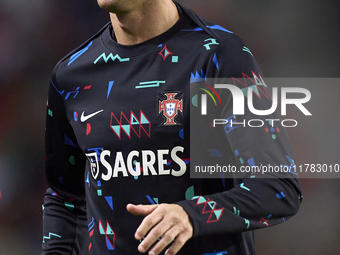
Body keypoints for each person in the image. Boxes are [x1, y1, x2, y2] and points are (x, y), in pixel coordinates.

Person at [42, 0, 302, 254]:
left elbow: (279, 187)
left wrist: (191, 215)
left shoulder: (217, 55)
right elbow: (65, 198)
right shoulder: (71, 76)